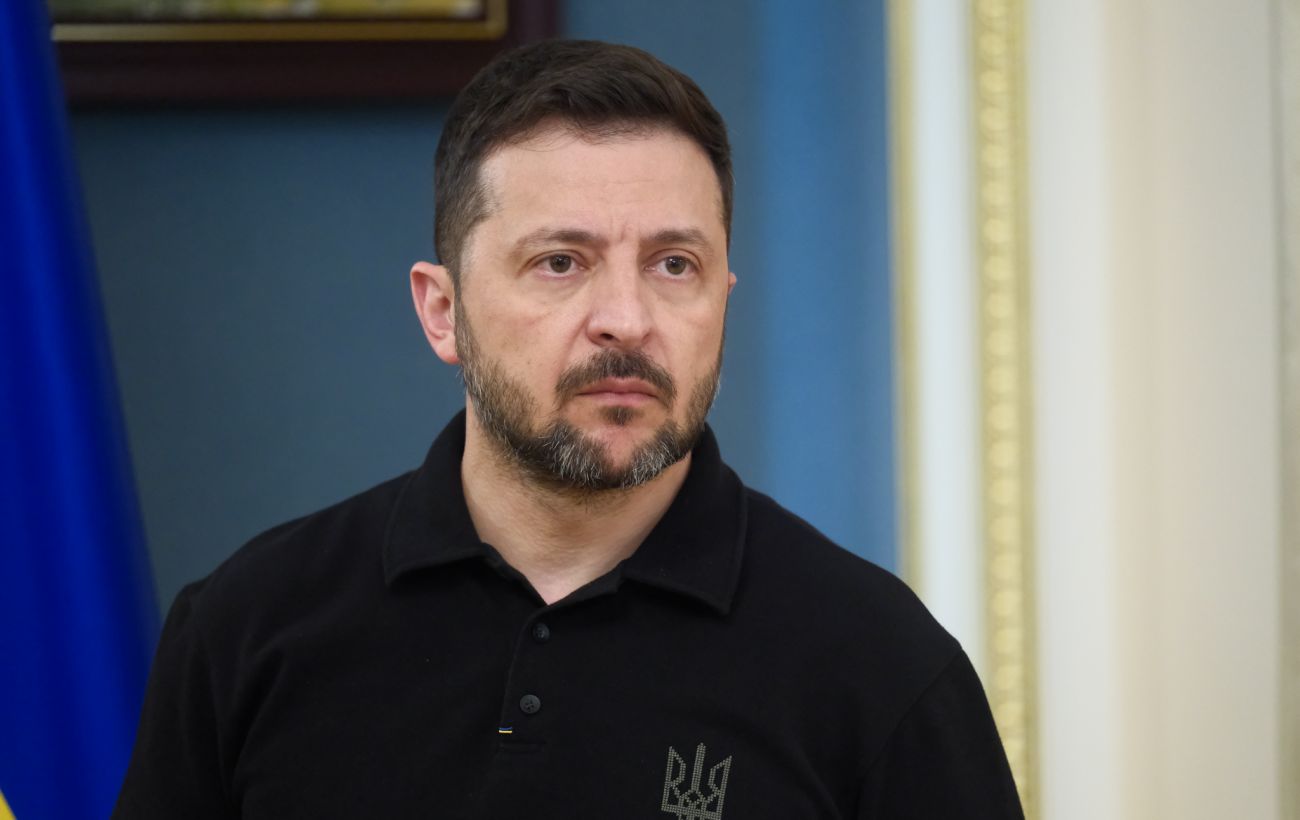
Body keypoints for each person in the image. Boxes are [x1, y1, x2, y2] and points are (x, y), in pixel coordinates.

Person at [114, 39, 1023, 819]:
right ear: (442, 312)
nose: (625, 319)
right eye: (560, 262)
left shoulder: (881, 665)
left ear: (724, 299)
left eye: (675, 264)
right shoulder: (245, 630)